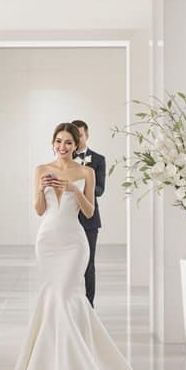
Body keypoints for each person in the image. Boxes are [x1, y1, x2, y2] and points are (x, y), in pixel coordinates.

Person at [0, 123, 186, 370]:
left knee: (65, 298)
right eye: (58, 141)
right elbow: (38, 210)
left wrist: (75, 189)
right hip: (47, 242)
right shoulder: (41, 169)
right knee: (53, 302)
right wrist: (40, 190)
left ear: (77, 145)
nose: (63, 146)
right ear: (53, 143)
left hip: (74, 243)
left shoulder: (86, 173)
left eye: (68, 142)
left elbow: (89, 213)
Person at [70, 119, 105, 307]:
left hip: (89, 220)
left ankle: (89, 305)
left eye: (80, 136)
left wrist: (84, 187)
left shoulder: (98, 160)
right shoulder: (64, 159)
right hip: (67, 219)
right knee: (70, 264)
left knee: (88, 264)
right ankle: (71, 303)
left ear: (87, 135)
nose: (76, 139)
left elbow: (100, 189)